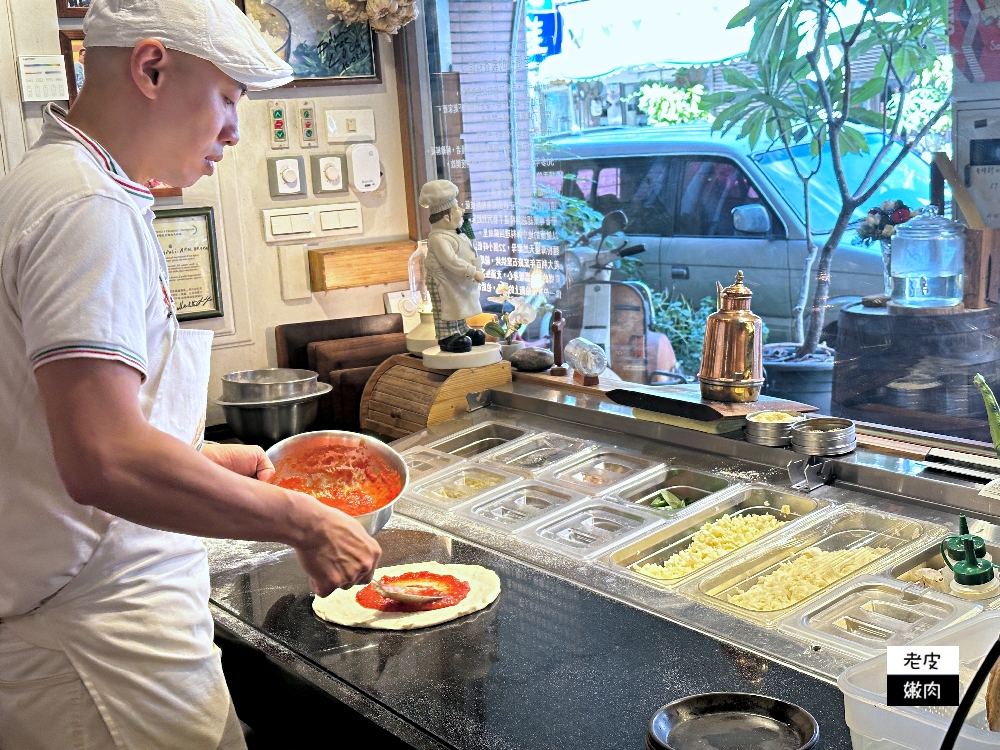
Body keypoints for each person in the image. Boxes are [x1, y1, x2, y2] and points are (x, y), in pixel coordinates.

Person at [0, 1, 382, 748]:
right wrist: (302, 521)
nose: (236, 130)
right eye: (230, 97)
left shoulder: (55, 179)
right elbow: (102, 459)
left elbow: (67, 426)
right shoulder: (87, 207)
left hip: (91, 615)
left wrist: (200, 456)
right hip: (101, 639)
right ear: (151, 68)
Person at [418, 179, 487, 353]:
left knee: (457, 304)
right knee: (445, 307)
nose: (462, 211)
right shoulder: (438, 238)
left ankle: (462, 330)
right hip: (441, 281)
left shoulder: (454, 233)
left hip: (455, 280)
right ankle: (446, 336)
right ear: (446, 216)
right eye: (457, 208)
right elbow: (450, 261)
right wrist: (472, 272)